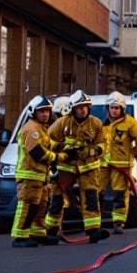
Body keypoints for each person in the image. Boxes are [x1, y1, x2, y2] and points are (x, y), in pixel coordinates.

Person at [44, 90, 109, 243]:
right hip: (66, 167)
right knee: (58, 199)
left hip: (88, 167)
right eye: (80, 107)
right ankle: (51, 230)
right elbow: (47, 140)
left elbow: (103, 144)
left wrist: (93, 151)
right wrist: (63, 149)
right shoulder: (62, 123)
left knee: (91, 199)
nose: (83, 110)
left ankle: (93, 231)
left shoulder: (96, 123)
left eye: (86, 106)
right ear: (73, 108)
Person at [10, 96, 66, 248]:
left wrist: (64, 147)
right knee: (28, 205)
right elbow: (37, 152)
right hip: (29, 175)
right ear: (33, 112)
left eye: (47, 111)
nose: (46, 114)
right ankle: (19, 236)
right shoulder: (31, 129)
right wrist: (57, 157)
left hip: (40, 176)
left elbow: (49, 143)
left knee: (41, 206)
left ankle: (38, 233)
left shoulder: (42, 128)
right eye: (41, 111)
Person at [101, 91, 137, 234]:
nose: (114, 110)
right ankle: (94, 221)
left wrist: (132, 154)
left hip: (121, 165)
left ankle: (118, 223)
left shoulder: (130, 123)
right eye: (112, 107)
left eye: (117, 108)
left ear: (122, 109)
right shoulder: (103, 124)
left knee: (120, 194)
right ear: (107, 108)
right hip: (103, 164)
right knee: (94, 191)